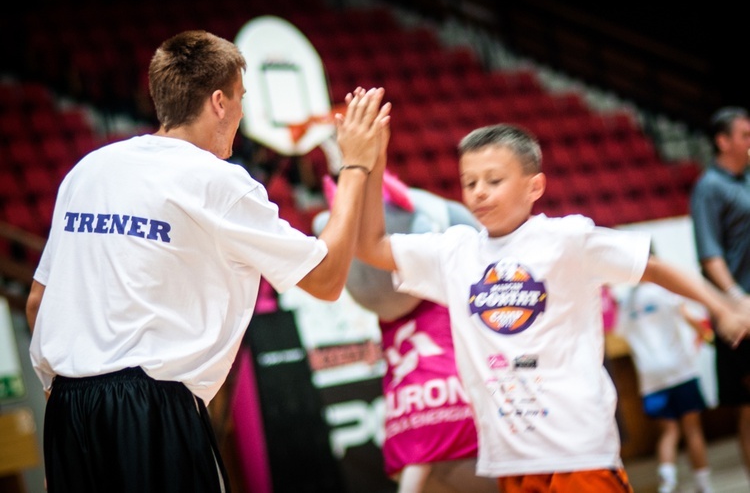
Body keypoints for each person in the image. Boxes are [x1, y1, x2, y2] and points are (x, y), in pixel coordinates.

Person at [24, 30, 390, 493]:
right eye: (240, 98)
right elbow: (328, 278)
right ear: (219, 102)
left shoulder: (87, 171)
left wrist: (71, 400)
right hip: (149, 408)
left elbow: (39, 302)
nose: (242, 112)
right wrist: (355, 165)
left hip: (67, 413)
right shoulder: (217, 181)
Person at [355, 122, 750, 492]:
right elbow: (371, 247)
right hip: (511, 461)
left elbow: (653, 268)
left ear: (535, 186)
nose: (478, 192)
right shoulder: (453, 252)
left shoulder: (567, 238)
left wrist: (722, 307)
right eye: (469, 182)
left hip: (578, 451)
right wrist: (370, 166)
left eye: (494, 180)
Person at [313, 168, 496, 493]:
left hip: (410, 416)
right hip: (457, 408)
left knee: (421, 459)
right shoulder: (435, 287)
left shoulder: (401, 302)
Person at [617, 262, 715, 493]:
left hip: (650, 377)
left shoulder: (626, 302)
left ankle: (667, 484)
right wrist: (707, 335)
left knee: (669, 432)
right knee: (693, 430)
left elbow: (619, 332)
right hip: (680, 369)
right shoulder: (665, 291)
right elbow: (689, 317)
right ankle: (704, 485)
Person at [690, 105, 750, 477]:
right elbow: (709, 255)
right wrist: (737, 299)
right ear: (722, 140)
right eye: (745, 135)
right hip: (740, 312)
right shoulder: (708, 188)